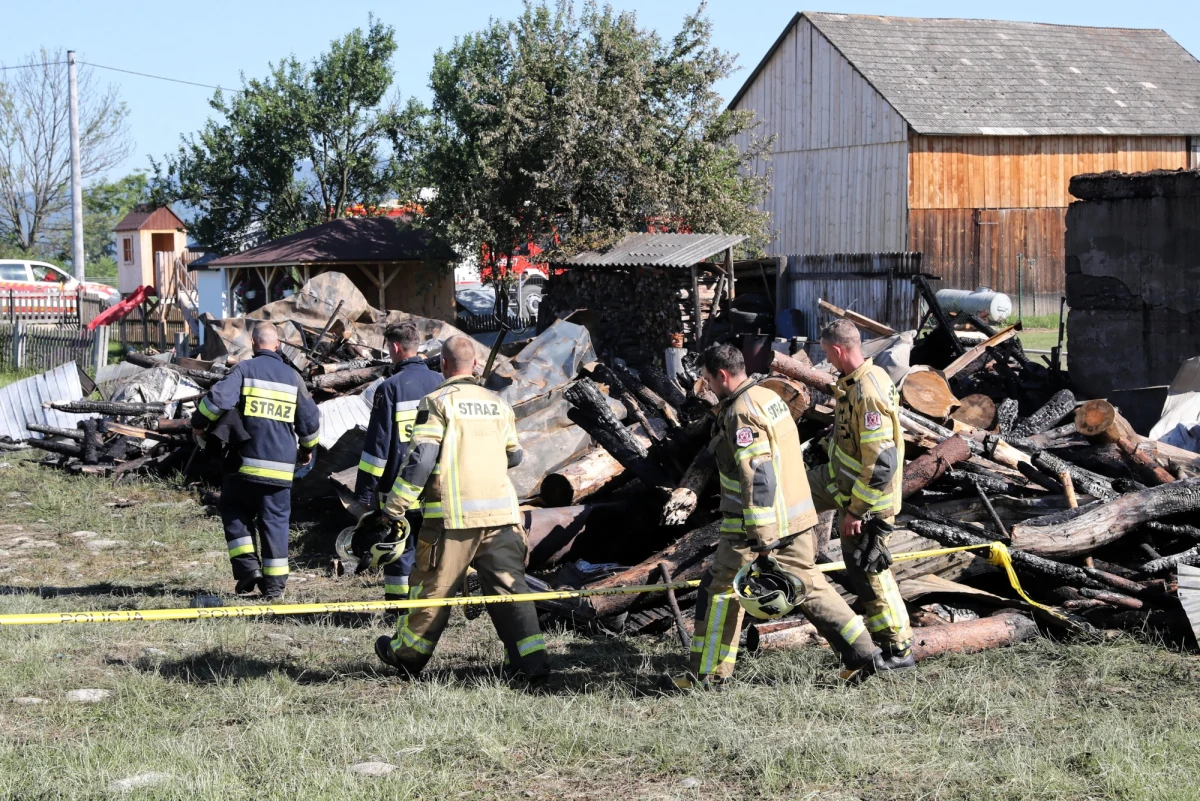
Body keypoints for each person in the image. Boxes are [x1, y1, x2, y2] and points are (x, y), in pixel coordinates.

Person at [673, 343, 883, 690]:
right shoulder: (766, 397)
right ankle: (863, 654)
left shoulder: (742, 412)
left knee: (720, 590)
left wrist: (761, 534)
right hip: (795, 515)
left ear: (723, 375)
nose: (707, 386)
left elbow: (758, 473)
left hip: (756, 525)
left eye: (708, 379)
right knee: (809, 585)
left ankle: (708, 676)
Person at [372, 335, 549, 683]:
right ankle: (532, 665)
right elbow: (515, 455)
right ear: (475, 366)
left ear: (443, 365)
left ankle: (407, 655)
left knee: (432, 590)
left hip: (452, 520)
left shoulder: (437, 402)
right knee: (512, 593)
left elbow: (421, 459)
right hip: (502, 518)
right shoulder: (497, 404)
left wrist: (395, 506)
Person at [808, 318, 914, 670]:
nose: (827, 361)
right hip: (843, 486)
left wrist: (856, 512)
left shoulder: (868, 391)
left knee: (871, 572)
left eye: (827, 354)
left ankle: (898, 650)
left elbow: (881, 461)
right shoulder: (855, 382)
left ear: (838, 349)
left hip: (868, 503)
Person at [192, 321, 320, 600]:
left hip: (244, 466)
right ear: (277, 345)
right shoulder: (293, 377)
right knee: (275, 524)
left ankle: (248, 568)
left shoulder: (245, 370)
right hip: (280, 470)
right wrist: (307, 449)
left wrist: (198, 423)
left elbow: (216, 401)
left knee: (233, 508)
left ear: (253, 342)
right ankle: (274, 590)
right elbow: (310, 422)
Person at [353, 323, 442, 601]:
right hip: (437, 491)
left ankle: (399, 609)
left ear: (393, 347)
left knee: (397, 548)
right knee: (434, 552)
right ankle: (431, 606)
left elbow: (377, 449)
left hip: (397, 492)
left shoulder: (389, 388)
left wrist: (365, 492)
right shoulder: (442, 383)